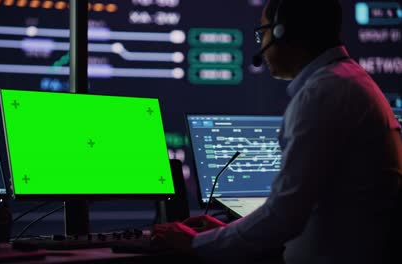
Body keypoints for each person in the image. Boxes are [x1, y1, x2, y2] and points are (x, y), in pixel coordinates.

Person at [152, 0, 402, 263]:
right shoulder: (348, 81)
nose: (261, 44)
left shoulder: (321, 94)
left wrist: (195, 242)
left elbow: (284, 217)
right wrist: (228, 231)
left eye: (263, 33)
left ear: (281, 32)